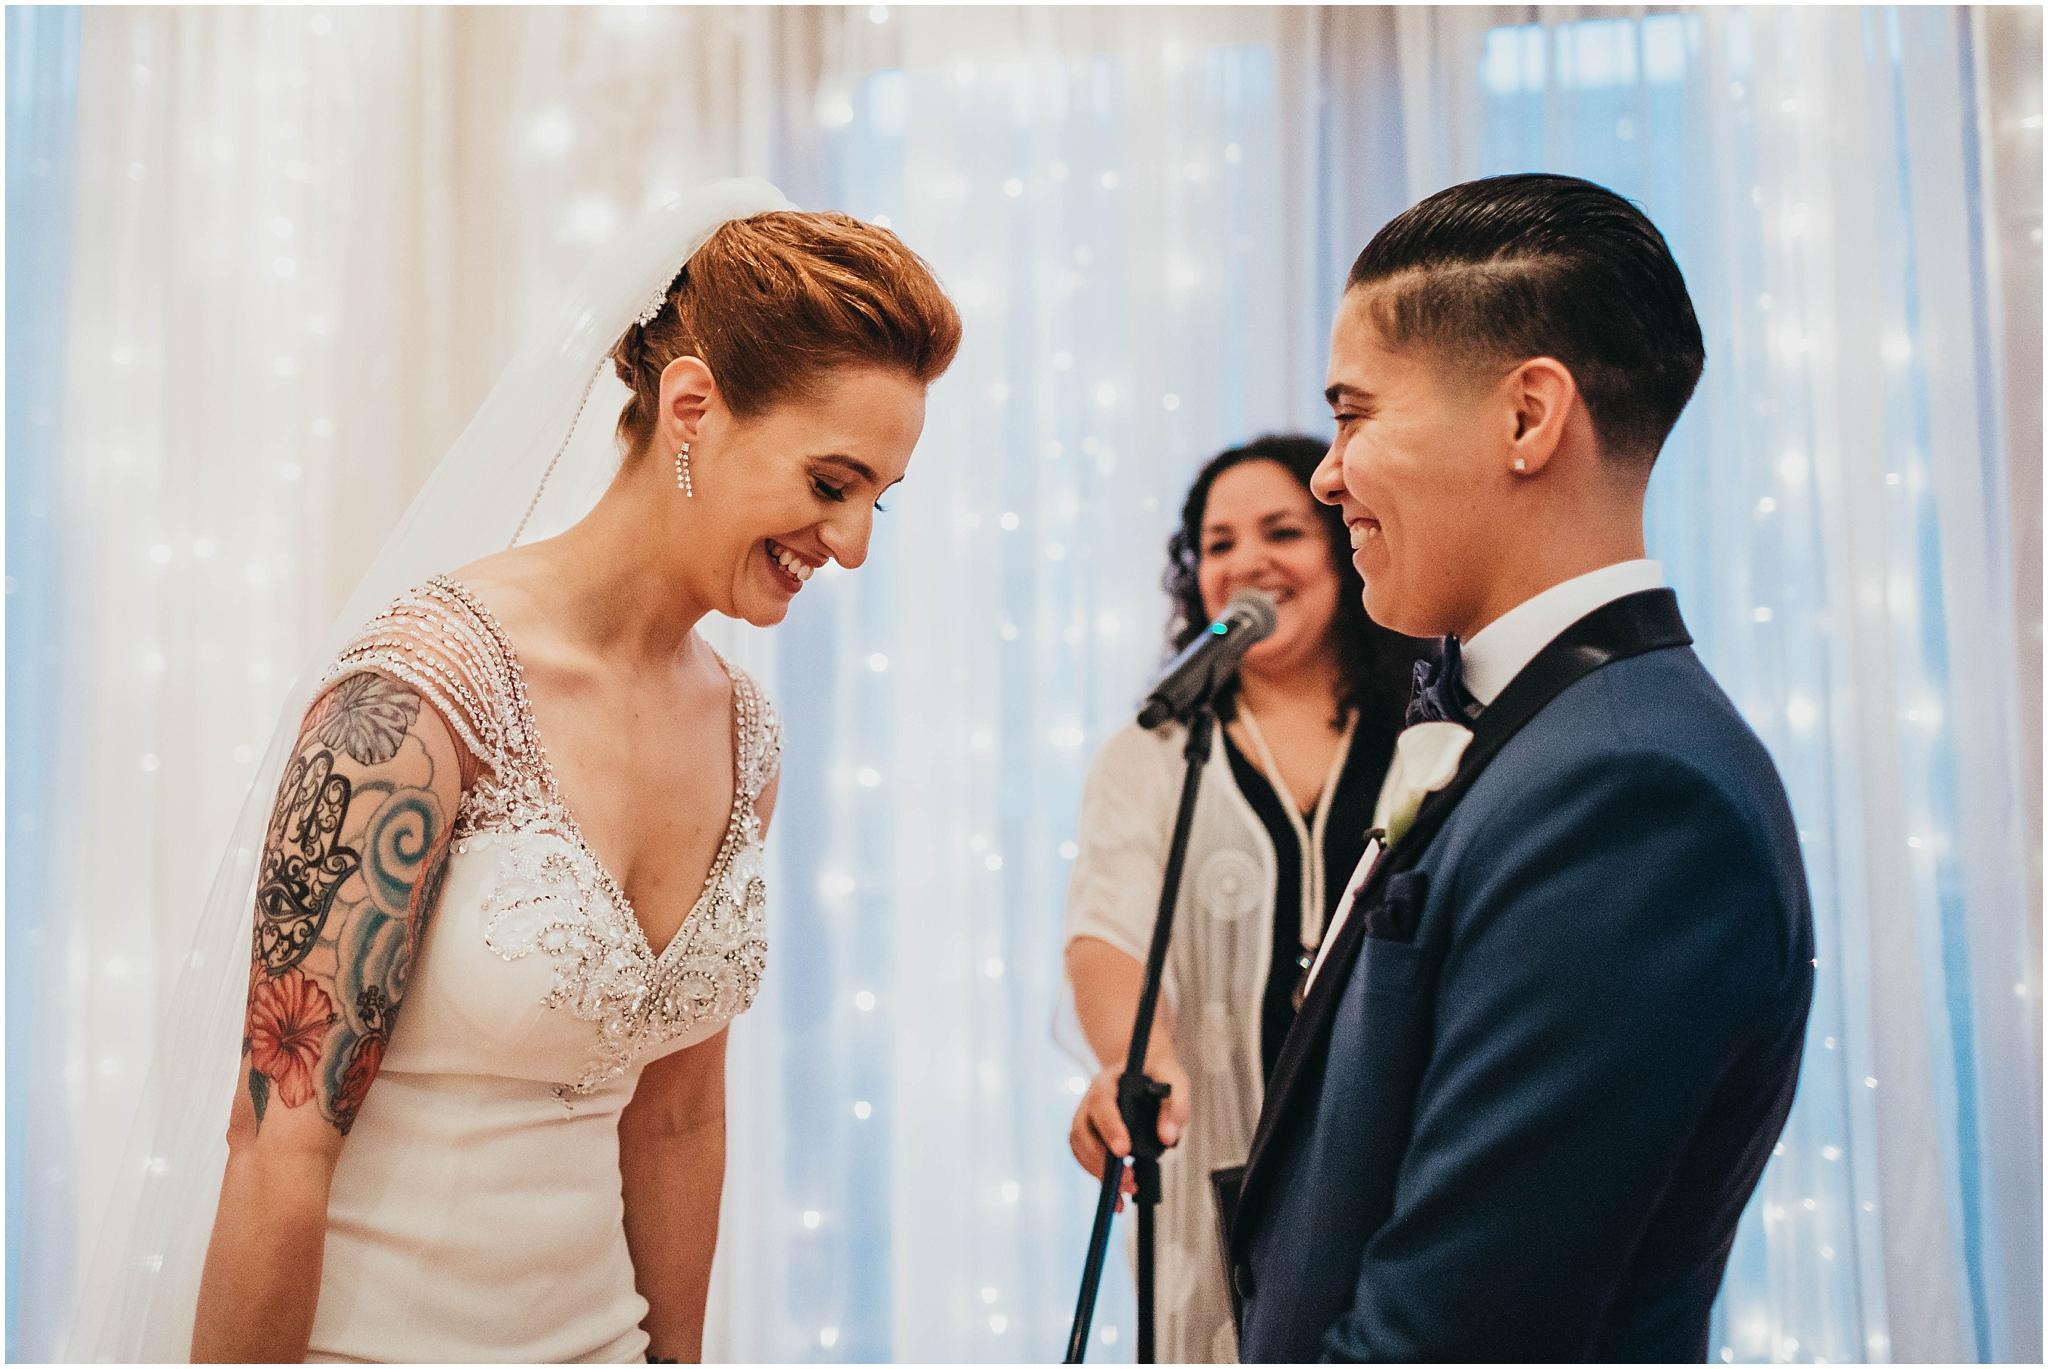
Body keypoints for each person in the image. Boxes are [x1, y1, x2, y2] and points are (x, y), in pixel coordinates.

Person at [73, 182, 960, 1363]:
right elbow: (280, 1148)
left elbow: (677, 1116)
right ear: (692, 407)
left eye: (877, 503)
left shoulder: (744, 734)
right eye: (830, 484)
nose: (849, 544)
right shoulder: (415, 702)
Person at [1225, 173, 1816, 1362]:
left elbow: (1452, 1332)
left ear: (1526, 418)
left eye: (1353, 415)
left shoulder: (1632, 796)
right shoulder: (1546, 732)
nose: (1327, 475)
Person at [1062, 435, 1416, 1363]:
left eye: (1281, 531)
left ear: (1341, 544)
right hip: (1219, 1180)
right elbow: (1108, 930)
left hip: (1405, 1177)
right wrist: (1144, 1061)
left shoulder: (1427, 731)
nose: (1248, 560)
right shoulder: (1154, 751)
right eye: (1219, 543)